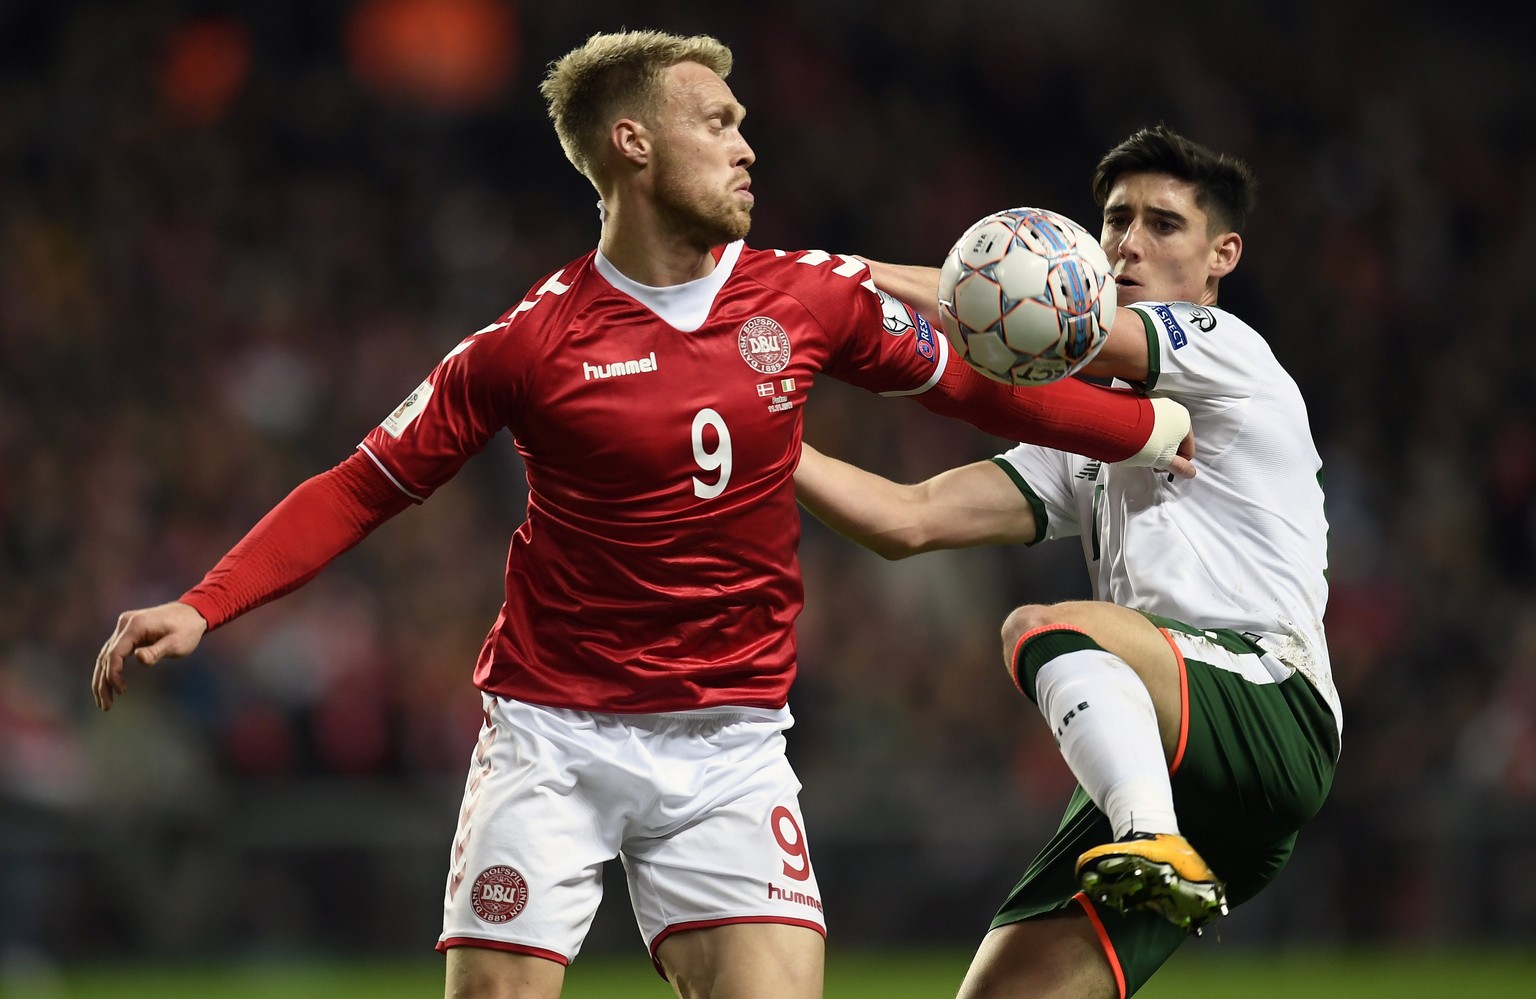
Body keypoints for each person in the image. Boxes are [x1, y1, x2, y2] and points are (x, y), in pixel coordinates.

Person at [90, 32, 1193, 999]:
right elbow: (362, 483)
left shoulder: (805, 296)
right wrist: (206, 602)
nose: (747, 146)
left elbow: (977, 387)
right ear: (632, 144)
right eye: (716, 122)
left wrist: (1145, 432)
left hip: (731, 743)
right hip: (553, 736)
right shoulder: (529, 345)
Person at [795, 124, 1339, 998]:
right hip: (1164, 751)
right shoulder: (1094, 436)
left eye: (1163, 224)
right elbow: (909, 518)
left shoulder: (1230, 354)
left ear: (1221, 254)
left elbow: (1044, 318)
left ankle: (1149, 835)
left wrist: (838, 277)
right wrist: (772, 440)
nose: (1127, 242)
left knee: (1043, 628)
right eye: (1116, 220)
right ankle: (1152, 835)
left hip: (1265, 703)